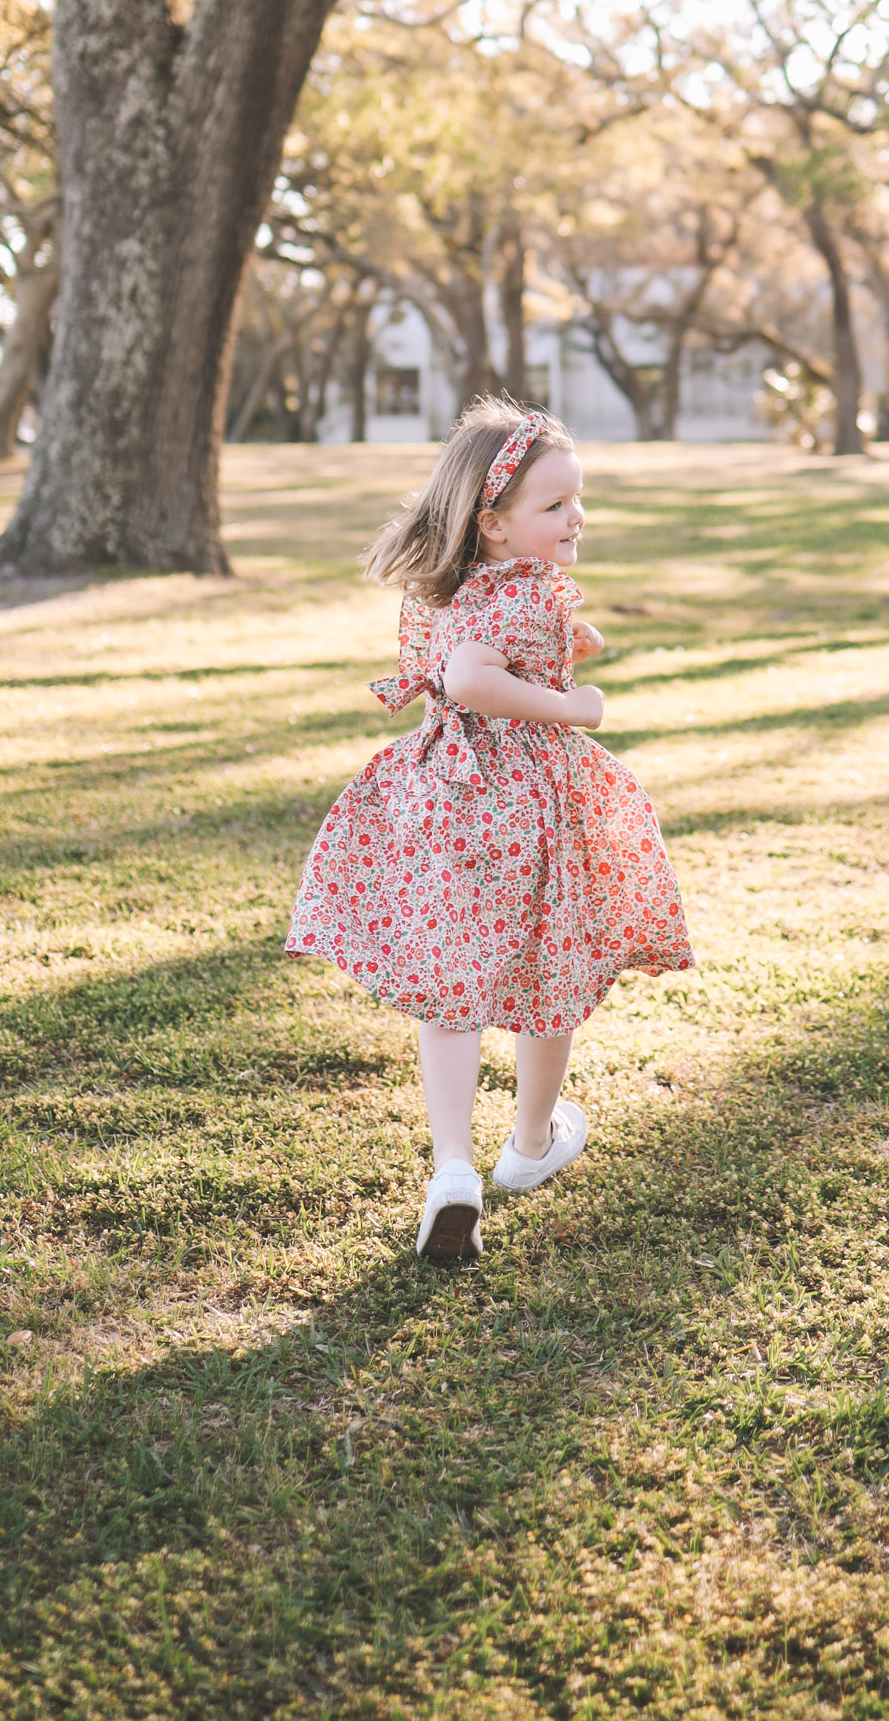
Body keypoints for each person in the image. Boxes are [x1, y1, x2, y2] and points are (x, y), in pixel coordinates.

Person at [286, 396, 694, 1262]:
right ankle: (532, 1145)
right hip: (524, 799)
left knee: (452, 987)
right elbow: (472, 675)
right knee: (552, 968)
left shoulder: (458, 588)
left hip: (447, 800)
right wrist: (570, 706)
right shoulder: (514, 597)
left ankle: (453, 1170)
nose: (576, 515)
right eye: (555, 505)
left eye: (577, 498)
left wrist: (562, 641)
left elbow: (467, 647)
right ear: (496, 524)